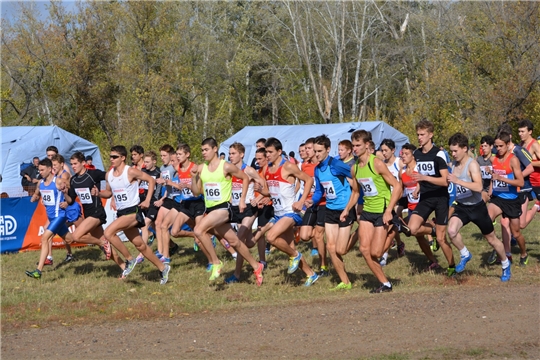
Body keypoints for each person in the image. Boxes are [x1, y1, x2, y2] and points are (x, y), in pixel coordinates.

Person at [190, 137, 264, 285]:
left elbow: (244, 177)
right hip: (210, 209)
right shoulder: (201, 168)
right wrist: (193, 177)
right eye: (202, 150)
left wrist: (242, 199)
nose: (203, 153)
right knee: (234, 241)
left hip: (223, 208)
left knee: (198, 231)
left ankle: (216, 262)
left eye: (206, 150)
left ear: (215, 149)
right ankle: (257, 266)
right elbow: (196, 192)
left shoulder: (226, 166)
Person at [446, 133, 511, 281]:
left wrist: (458, 181)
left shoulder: (472, 164)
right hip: (462, 207)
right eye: (451, 151)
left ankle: (506, 264)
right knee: (451, 231)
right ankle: (465, 254)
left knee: (491, 239)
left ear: (464, 148)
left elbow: (478, 186)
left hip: (477, 208)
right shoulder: (453, 165)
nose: (453, 154)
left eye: (455, 151)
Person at [102, 145, 170, 284]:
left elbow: (151, 180)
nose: (111, 159)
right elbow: (108, 193)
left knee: (108, 233)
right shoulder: (108, 175)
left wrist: (147, 200)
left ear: (123, 158)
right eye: (110, 156)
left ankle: (129, 260)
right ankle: (163, 268)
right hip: (122, 213)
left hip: (133, 212)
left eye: (114, 157)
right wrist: (98, 193)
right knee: (141, 246)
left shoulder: (131, 171)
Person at [263, 137, 319, 286]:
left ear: (279, 151)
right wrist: (262, 194)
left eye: (270, 152)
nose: (267, 155)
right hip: (279, 213)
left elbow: (309, 180)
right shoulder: (267, 168)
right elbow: (273, 191)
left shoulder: (288, 166)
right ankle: (311, 274)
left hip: (291, 212)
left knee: (271, 237)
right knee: (290, 249)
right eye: (266, 152)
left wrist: (301, 201)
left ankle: (296, 255)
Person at [351, 130, 402, 293]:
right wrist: (346, 210)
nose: (355, 148)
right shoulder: (355, 169)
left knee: (377, 252)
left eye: (358, 145)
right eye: (353, 145)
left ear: (367, 145)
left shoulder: (377, 163)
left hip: (382, 211)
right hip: (367, 211)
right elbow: (356, 192)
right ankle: (385, 283)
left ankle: (394, 228)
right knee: (364, 250)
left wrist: (389, 211)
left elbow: (398, 186)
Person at [407, 119, 456, 276]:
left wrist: (424, 179)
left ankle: (451, 266)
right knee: (412, 229)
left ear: (430, 135)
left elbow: (444, 180)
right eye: (418, 135)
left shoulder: (439, 154)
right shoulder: (417, 154)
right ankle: (433, 229)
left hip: (441, 198)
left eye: (422, 134)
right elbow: (421, 175)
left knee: (442, 239)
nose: (419, 138)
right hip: (426, 197)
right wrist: (418, 188)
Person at [310, 135, 359, 290]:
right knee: (331, 247)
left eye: (319, 151)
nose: (316, 154)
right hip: (330, 209)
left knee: (341, 250)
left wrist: (355, 194)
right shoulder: (317, 169)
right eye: (315, 151)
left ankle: (361, 231)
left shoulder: (336, 165)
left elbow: (355, 174)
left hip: (344, 209)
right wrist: (311, 201)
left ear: (328, 150)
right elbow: (319, 191)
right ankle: (345, 282)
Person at [67, 152, 125, 269]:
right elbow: (70, 200)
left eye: (75, 163)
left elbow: (110, 176)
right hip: (88, 214)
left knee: (76, 236)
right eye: (71, 164)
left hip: (97, 212)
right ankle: (124, 266)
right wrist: (64, 193)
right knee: (105, 248)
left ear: (83, 163)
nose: (73, 166)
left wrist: (110, 193)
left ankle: (103, 243)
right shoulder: (73, 180)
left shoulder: (93, 174)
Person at [225, 142, 268, 283]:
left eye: (233, 153)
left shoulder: (248, 170)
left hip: (249, 208)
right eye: (230, 154)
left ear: (241, 154)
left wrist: (259, 197)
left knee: (238, 239)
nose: (230, 156)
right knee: (248, 243)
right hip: (236, 209)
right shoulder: (229, 170)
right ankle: (266, 228)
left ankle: (237, 275)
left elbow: (265, 186)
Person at [25, 158, 74, 279]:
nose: (40, 172)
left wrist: (66, 192)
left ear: (49, 169)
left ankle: (38, 271)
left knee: (45, 238)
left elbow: (71, 187)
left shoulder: (58, 181)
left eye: (42, 170)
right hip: (52, 218)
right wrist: (35, 198)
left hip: (60, 215)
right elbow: (37, 193)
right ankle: (100, 242)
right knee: (71, 239)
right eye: (39, 170)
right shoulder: (40, 183)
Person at [486, 131, 528, 267]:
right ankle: (497, 246)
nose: (498, 149)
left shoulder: (513, 160)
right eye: (496, 146)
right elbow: (496, 176)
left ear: (508, 144)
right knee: (486, 219)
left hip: (512, 200)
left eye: (501, 146)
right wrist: (491, 174)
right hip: (498, 198)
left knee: (516, 233)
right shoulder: (494, 159)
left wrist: (501, 178)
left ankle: (523, 254)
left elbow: (520, 182)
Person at [298, 137, 327, 275]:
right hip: (311, 203)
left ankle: (323, 266)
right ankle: (323, 249)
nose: (306, 151)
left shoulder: (323, 165)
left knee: (318, 235)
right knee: (304, 236)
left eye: (309, 149)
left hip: (324, 203)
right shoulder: (305, 166)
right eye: (307, 149)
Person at [477, 135, 495, 203]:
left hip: (494, 189)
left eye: (486, 146)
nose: (483, 148)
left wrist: (490, 172)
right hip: (482, 190)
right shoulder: (478, 160)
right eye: (482, 146)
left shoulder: (495, 159)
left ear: (491, 146)